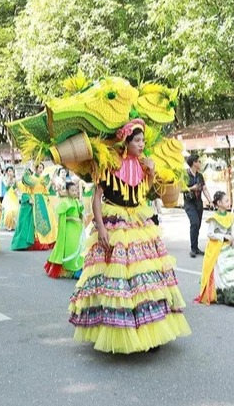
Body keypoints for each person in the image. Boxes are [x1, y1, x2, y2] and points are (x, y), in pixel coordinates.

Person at [69, 119, 191, 353]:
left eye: (144, 140)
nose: (142, 144)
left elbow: (147, 191)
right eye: (137, 140)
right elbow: (97, 197)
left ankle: (149, 328)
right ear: (126, 142)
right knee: (117, 280)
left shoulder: (144, 164)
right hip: (114, 224)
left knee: (146, 278)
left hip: (139, 222)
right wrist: (101, 227)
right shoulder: (111, 163)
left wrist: (152, 170)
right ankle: (118, 330)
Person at [11, 163, 57, 251]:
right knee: (35, 221)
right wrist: (29, 199)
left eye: (42, 168)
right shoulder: (30, 178)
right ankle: (36, 241)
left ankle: (46, 240)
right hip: (34, 200)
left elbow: (45, 191)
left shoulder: (44, 179)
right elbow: (26, 191)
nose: (40, 169)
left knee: (46, 220)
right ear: (35, 168)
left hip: (42, 201)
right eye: (39, 167)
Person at [44, 182, 84, 279]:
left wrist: (81, 219)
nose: (75, 192)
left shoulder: (77, 202)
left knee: (78, 249)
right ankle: (68, 269)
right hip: (69, 229)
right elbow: (62, 218)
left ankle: (76, 270)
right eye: (72, 190)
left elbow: (80, 214)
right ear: (67, 191)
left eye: (76, 190)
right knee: (70, 248)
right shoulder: (65, 203)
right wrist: (72, 219)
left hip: (77, 228)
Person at [184, 154, 213, 258]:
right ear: (194, 163)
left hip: (198, 203)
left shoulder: (200, 175)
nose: (200, 163)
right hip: (189, 203)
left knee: (198, 225)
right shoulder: (185, 175)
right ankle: (192, 248)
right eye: (199, 161)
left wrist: (210, 201)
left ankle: (196, 248)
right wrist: (192, 188)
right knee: (194, 223)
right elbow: (179, 189)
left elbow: (204, 189)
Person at [0, 166, 19, 231]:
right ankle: (8, 225)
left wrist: (16, 191)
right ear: (7, 172)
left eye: (11, 171)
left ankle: (13, 225)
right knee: (8, 211)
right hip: (8, 197)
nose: (10, 172)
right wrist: (9, 178)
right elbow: (7, 187)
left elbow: (17, 187)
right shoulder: (5, 179)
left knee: (15, 210)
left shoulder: (15, 179)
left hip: (14, 196)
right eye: (9, 171)